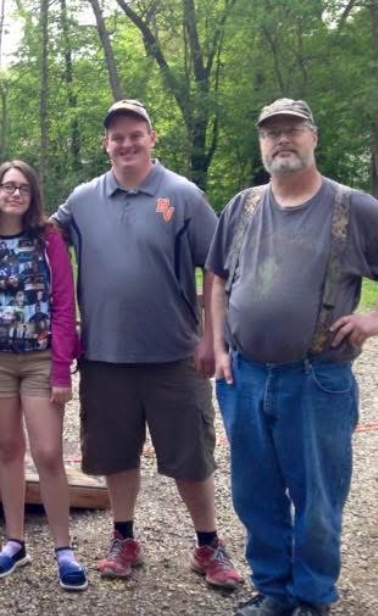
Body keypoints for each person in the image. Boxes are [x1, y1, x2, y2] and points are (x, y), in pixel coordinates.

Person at [206, 98, 378, 616]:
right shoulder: (242, 206)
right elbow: (216, 279)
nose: (281, 140)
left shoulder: (353, 209)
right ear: (261, 144)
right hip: (244, 377)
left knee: (317, 495)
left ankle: (313, 598)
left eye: (292, 130)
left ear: (314, 139)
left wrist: (377, 317)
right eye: (271, 133)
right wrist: (216, 348)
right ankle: (273, 589)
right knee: (254, 491)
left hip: (316, 377)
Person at [52, 99, 243, 590]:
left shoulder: (181, 195)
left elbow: (218, 267)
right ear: (106, 144)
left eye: (136, 134)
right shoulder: (84, 199)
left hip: (175, 354)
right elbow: (39, 238)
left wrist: (210, 337)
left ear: (152, 138)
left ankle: (208, 544)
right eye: (117, 136)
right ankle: (124, 538)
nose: (126, 143)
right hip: (104, 355)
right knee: (116, 454)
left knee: (191, 455)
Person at [0, 160, 86, 590]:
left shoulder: (49, 239)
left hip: (40, 359)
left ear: (32, 196)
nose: (14, 194)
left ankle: (64, 550)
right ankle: (14, 542)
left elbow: (65, 304)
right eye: (7, 187)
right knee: (9, 451)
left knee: (48, 453)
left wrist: (62, 371)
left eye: (23, 188)